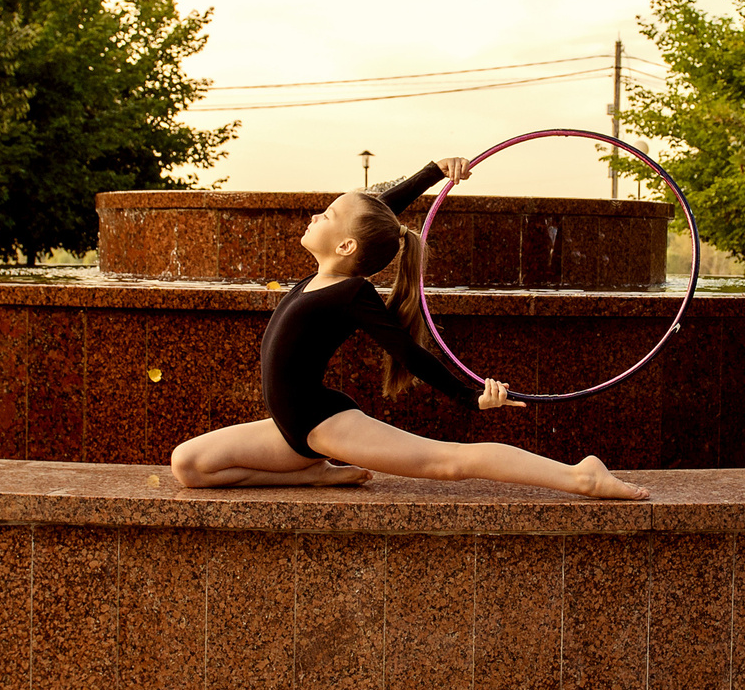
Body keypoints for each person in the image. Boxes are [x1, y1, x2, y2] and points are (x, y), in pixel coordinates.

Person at [169, 155, 648, 499]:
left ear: (345, 247)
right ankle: (316, 476)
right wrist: (433, 173)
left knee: (448, 462)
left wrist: (468, 395)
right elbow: (376, 214)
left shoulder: (350, 293)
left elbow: (408, 351)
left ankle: (580, 476)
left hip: (322, 424)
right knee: (187, 465)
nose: (317, 214)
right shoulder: (324, 274)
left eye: (328, 215)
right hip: (286, 430)